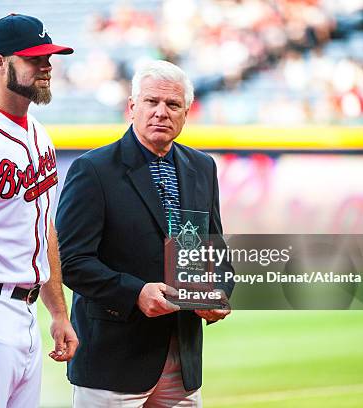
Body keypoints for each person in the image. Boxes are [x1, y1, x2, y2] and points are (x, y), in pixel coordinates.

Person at [56, 60, 234, 407]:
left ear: (186, 112)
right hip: (113, 361)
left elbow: (215, 250)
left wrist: (220, 293)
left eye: (172, 105)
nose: (161, 112)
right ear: (132, 107)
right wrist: (135, 292)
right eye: (151, 102)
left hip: (183, 358)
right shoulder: (93, 169)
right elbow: (71, 261)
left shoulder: (202, 167)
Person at [0, 14, 78, 408]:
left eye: (49, 58)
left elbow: (44, 227)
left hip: (25, 313)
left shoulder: (39, 133)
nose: (47, 67)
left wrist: (58, 311)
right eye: (34, 59)